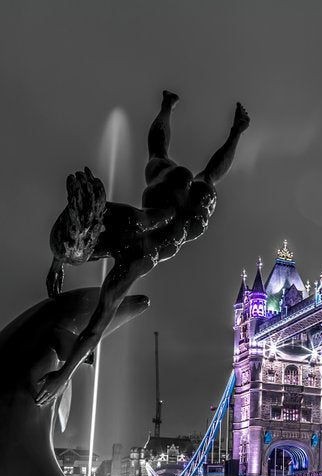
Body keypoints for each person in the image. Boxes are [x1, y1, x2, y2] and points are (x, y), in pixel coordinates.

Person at [35, 90, 250, 405]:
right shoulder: (106, 213)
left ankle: (235, 130)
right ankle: (170, 105)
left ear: (94, 245)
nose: (84, 259)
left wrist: (63, 376)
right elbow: (73, 228)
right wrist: (57, 261)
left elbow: (97, 327)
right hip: (162, 191)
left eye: (80, 257)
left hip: (183, 217)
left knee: (206, 178)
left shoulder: (135, 257)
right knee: (158, 155)